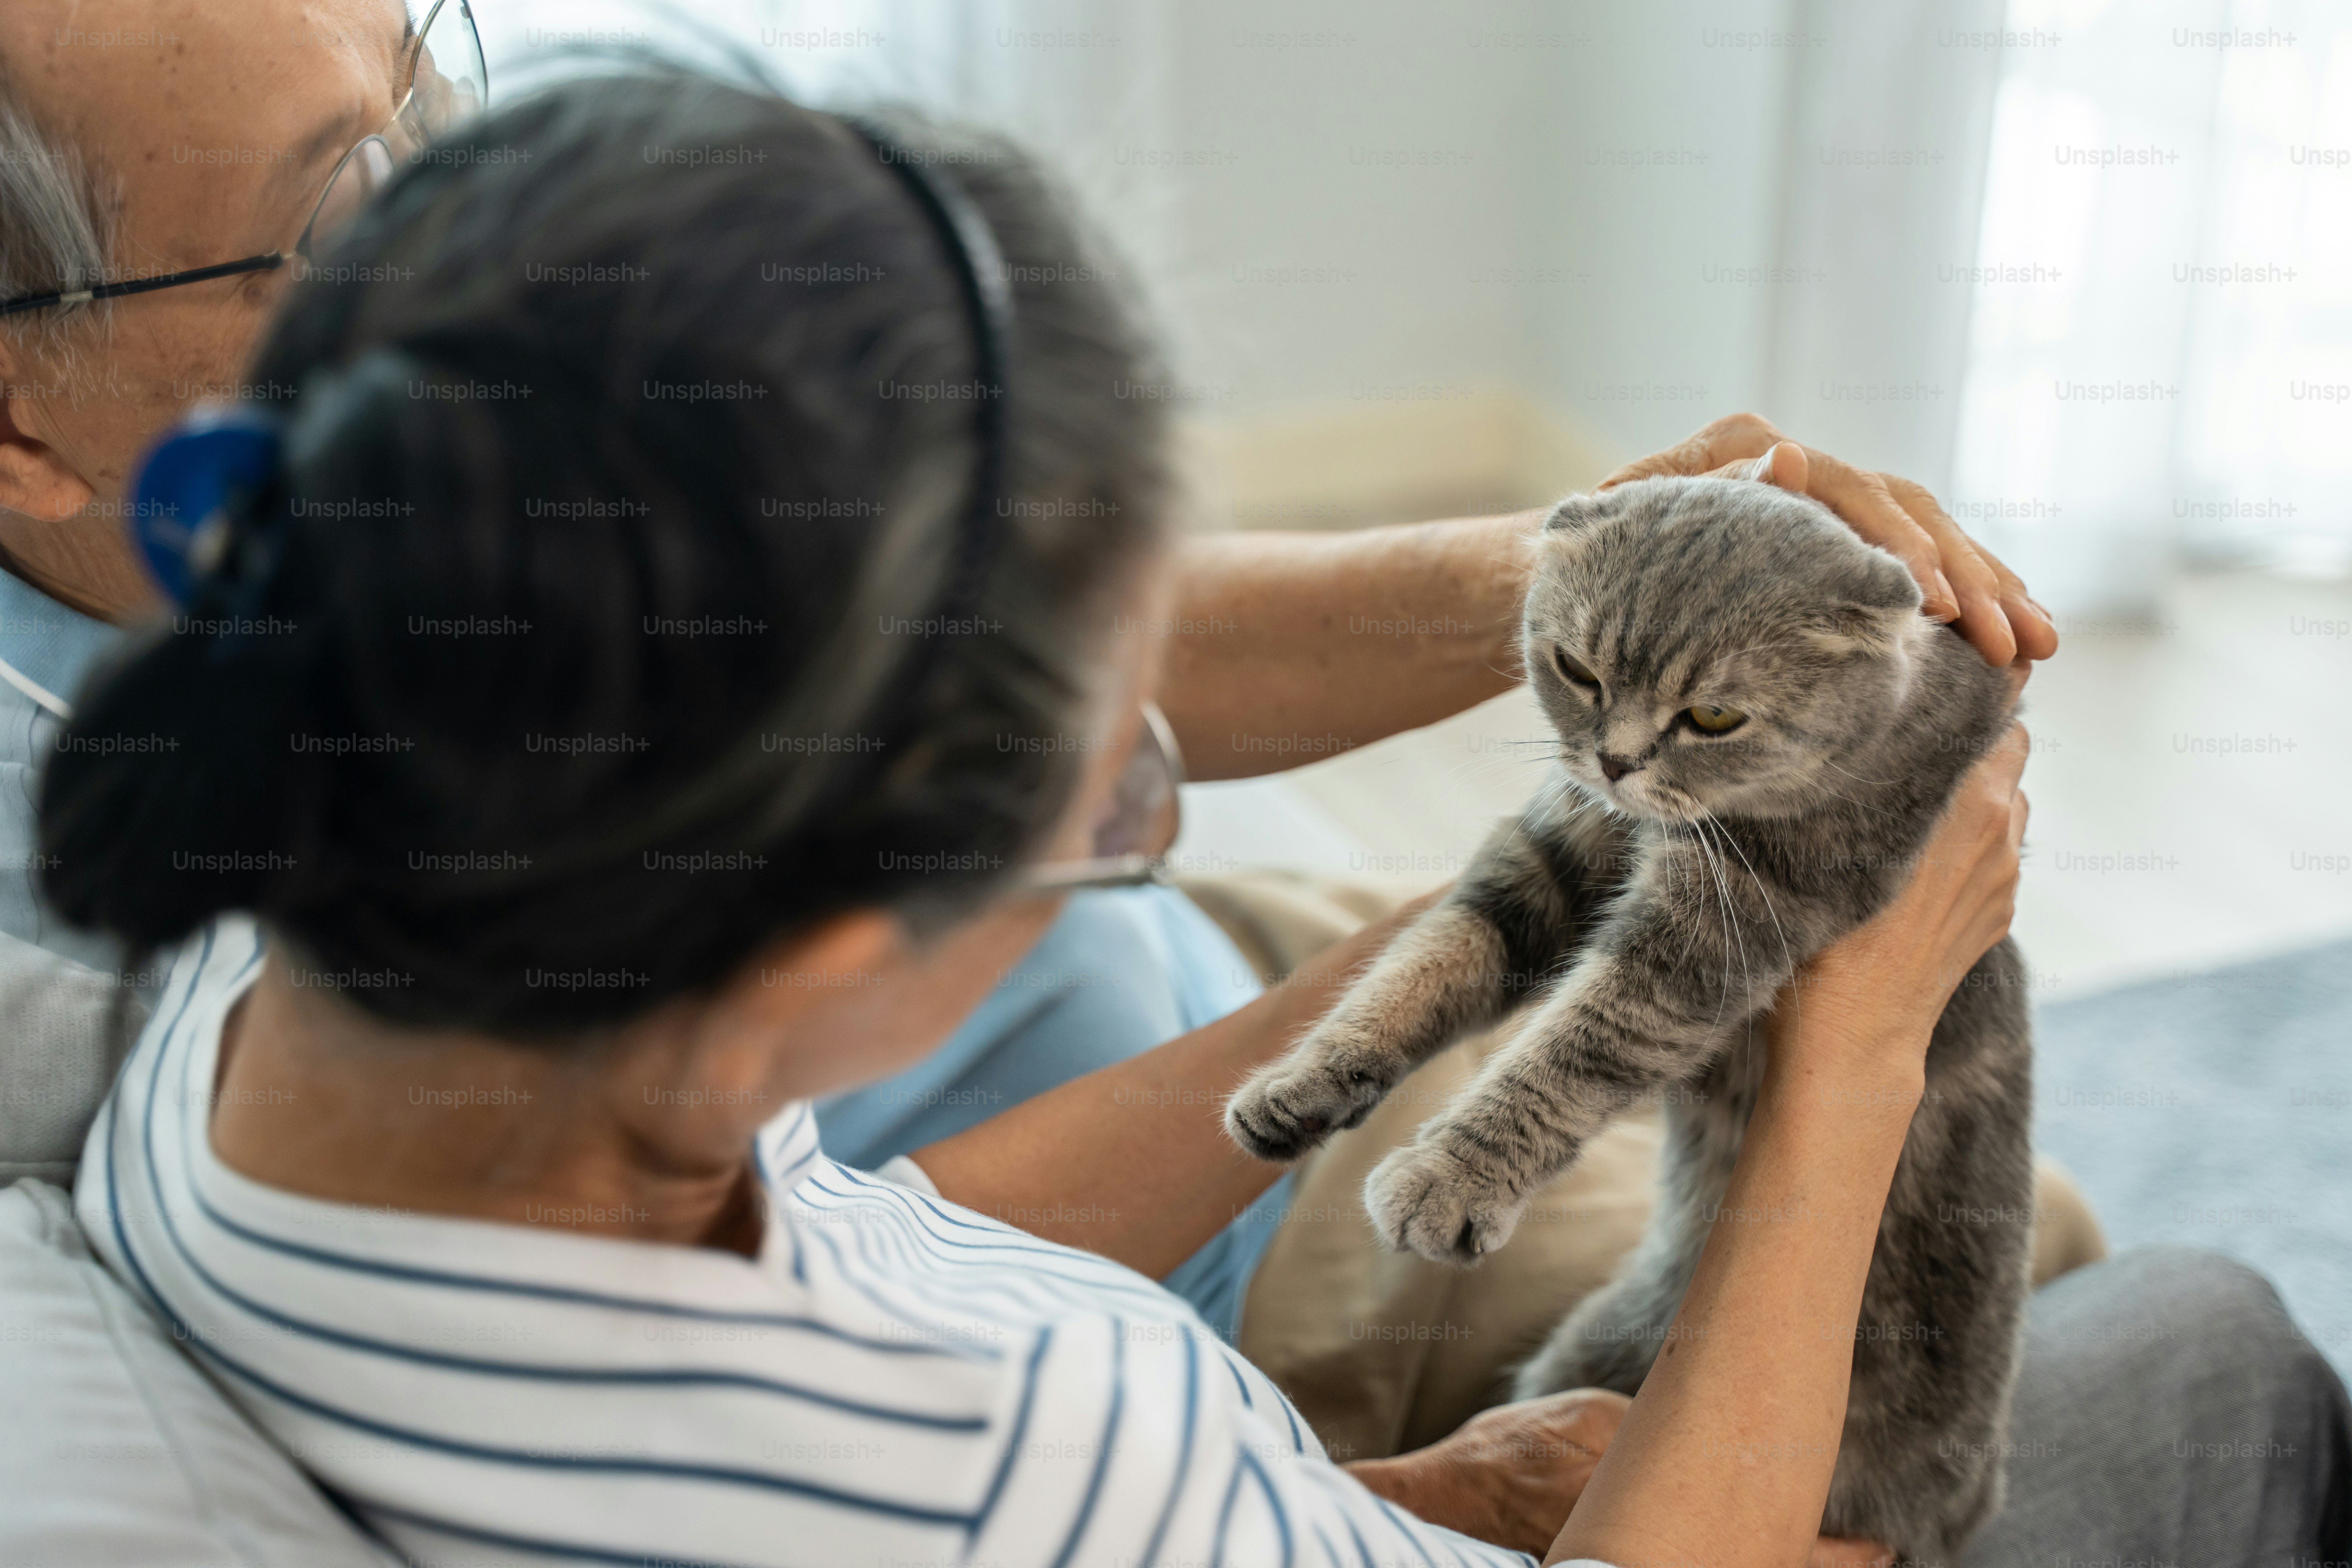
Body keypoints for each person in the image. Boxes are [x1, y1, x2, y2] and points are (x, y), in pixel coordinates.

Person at [49, 68, 2346, 1567]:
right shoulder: (1018, 1474)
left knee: (2012, 1246)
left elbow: (865, 1241)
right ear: (848, 957)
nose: (1140, 763)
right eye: (1093, 775)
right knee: (2219, 1340)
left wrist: (1477, 939)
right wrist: (1846, 1050)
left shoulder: (265, 989)